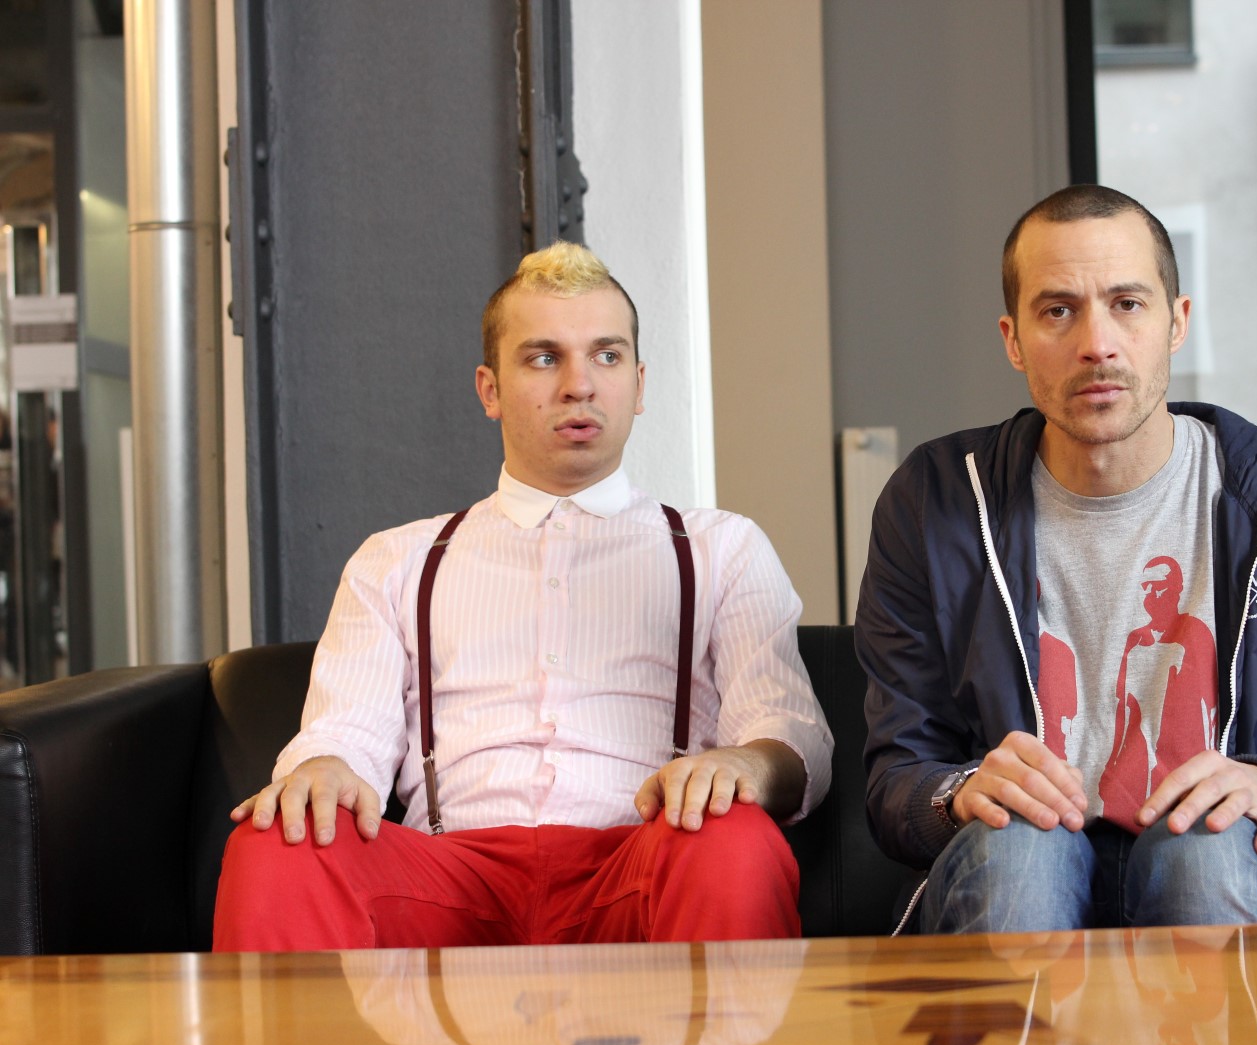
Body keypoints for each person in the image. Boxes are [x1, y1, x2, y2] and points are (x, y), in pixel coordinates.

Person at [214, 241, 833, 951]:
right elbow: (344, 735)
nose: (579, 385)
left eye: (606, 356)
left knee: (734, 837)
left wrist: (747, 763)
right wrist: (322, 766)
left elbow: (790, 734)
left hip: (643, 865)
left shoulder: (722, 547)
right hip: (448, 881)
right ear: (490, 390)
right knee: (281, 838)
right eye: (543, 358)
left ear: (639, 384)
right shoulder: (396, 559)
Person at [856, 184, 1257, 933]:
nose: (1097, 343)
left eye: (1128, 304)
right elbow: (896, 780)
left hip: (1227, 871)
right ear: (1013, 339)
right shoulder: (934, 504)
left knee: (1206, 853)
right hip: (1014, 869)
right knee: (1022, 852)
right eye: (1059, 311)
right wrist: (956, 794)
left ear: (1177, 322)